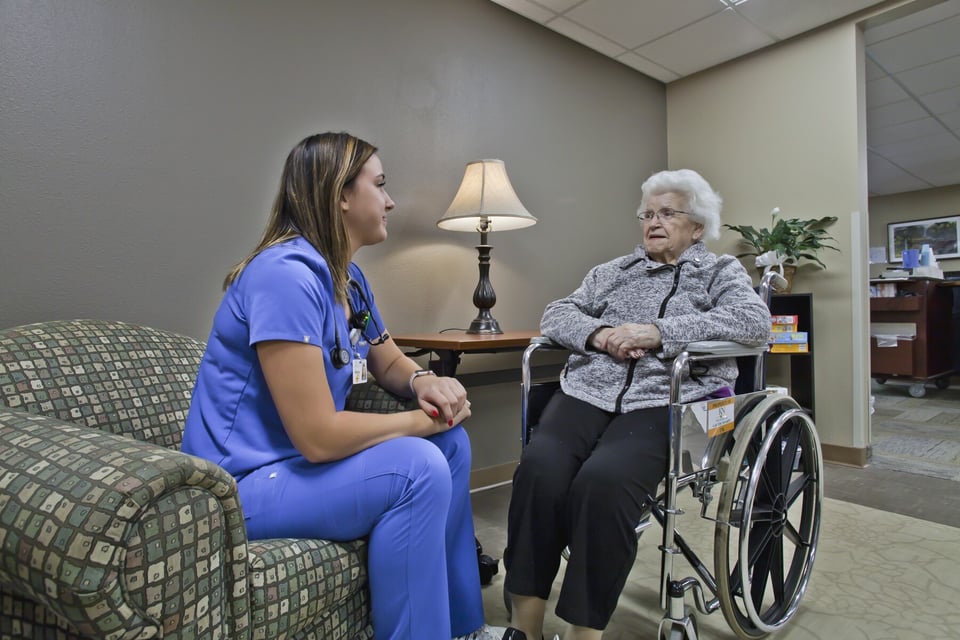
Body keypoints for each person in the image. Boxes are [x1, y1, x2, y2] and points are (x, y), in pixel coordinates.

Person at [181, 132, 518, 640]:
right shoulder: (284, 277)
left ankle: (465, 628)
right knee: (419, 463)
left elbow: (387, 362)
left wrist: (426, 381)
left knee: (451, 443)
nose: (390, 200)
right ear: (341, 193)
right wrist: (415, 421)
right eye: (379, 185)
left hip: (299, 470)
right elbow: (316, 436)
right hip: (242, 486)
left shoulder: (349, 279)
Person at [502, 169, 771, 640]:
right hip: (588, 391)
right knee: (538, 470)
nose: (654, 222)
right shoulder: (613, 272)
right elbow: (558, 312)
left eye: (668, 212)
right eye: (647, 213)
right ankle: (524, 624)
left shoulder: (720, 272)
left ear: (697, 226)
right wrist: (601, 335)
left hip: (671, 399)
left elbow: (754, 324)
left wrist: (660, 332)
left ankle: (584, 630)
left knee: (603, 483)